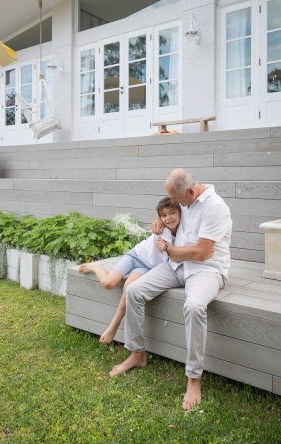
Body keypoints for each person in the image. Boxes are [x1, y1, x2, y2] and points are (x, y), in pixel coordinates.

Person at [109, 168, 232, 411]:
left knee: (195, 306)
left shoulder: (215, 207)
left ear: (189, 191)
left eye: (175, 199)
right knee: (133, 290)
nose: (173, 203)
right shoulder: (184, 200)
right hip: (177, 266)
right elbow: (171, 215)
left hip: (206, 269)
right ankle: (137, 354)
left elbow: (202, 252)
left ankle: (194, 378)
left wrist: (169, 250)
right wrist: (161, 221)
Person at [78, 197, 182, 344]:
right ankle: (96, 267)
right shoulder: (162, 228)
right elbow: (166, 249)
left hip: (148, 267)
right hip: (136, 256)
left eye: (172, 213)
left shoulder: (184, 230)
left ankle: (114, 325)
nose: (168, 218)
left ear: (180, 212)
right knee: (108, 283)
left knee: (129, 288)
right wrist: (160, 220)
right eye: (164, 215)